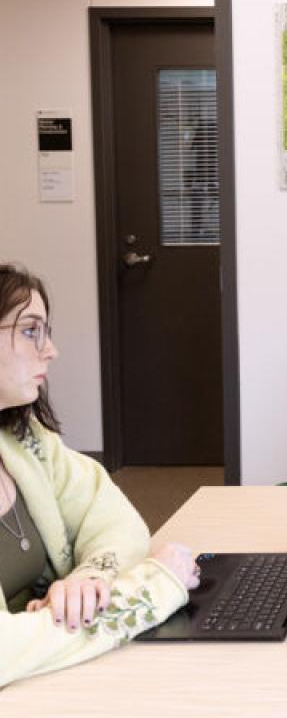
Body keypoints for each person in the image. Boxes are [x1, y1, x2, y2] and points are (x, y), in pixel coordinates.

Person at [0, 264, 199, 687]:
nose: (50, 350)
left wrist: (88, 579)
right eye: (31, 331)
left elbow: (116, 521)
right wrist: (155, 587)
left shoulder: (24, 441)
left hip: (49, 679)